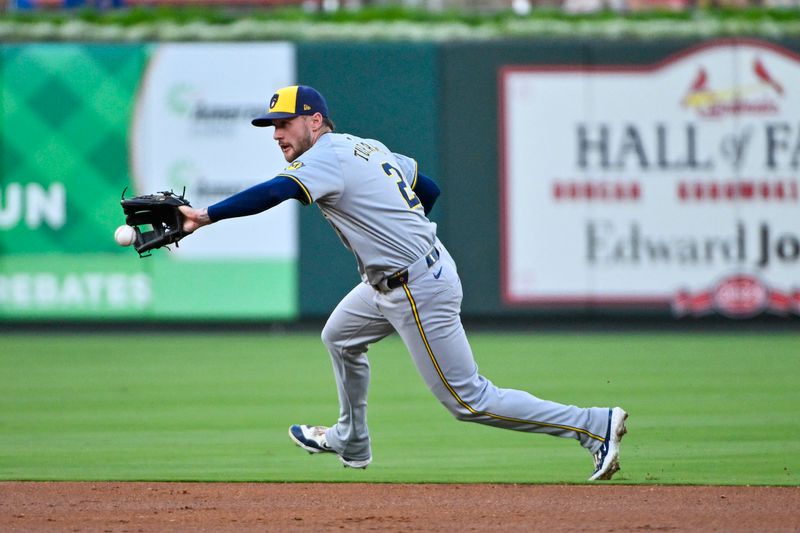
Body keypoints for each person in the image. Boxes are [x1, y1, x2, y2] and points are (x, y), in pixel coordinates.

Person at [179, 85, 628, 480]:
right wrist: (402, 231)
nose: (277, 134)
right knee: (339, 337)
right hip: (402, 277)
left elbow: (272, 193)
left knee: (467, 399)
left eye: (285, 123)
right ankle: (352, 439)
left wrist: (204, 215)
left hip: (415, 287)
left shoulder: (324, 157)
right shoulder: (364, 146)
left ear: (315, 122)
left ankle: (593, 425)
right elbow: (426, 187)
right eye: (271, 126)